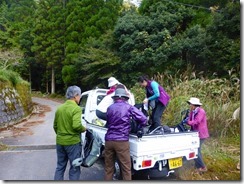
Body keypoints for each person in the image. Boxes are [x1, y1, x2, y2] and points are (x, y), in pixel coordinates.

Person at [104, 88, 147, 180]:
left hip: (109, 140)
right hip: (121, 141)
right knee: (126, 169)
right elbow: (143, 118)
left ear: (115, 98)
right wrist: (141, 126)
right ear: (125, 98)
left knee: (108, 169)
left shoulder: (109, 108)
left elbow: (108, 121)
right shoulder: (128, 107)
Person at [53, 85, 86, 180]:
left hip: (60, 142)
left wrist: (62, 135)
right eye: (79, 96)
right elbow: (76, 125)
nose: (79, 98)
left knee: (60, 166)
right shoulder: (76, 108)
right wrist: (84, 129)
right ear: (75, 96)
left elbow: (55, 126)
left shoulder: (60, 108)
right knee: (75, 167)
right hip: (73, 143)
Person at [185, 97, 209, 173]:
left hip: (201, 134)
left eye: (191, 104)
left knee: (196, 150)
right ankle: (198, 165)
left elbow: (197, 121)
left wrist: (188, 122)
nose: (190, 105)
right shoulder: (192, 111)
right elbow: (189, 119)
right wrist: (187, 121)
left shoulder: (201, 111)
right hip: (194, 133)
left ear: (194, 105)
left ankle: (202, 167)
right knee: (196, 149)